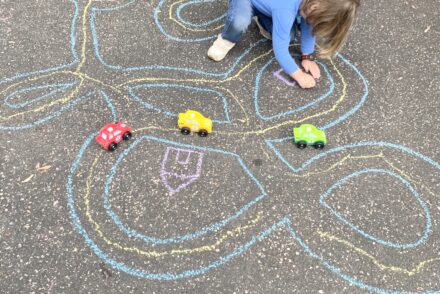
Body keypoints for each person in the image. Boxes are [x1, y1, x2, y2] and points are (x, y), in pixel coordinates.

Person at [207, 0, 360, 88]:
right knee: (239, 21)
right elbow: (280, 50)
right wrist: (298, 75)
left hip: (270, 6)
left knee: (291, 35)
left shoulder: (313, 4)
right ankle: (227, 38)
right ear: (314, 7)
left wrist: (307, 56)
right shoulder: (286, 10)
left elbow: (309, 27)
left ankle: (262, 19)